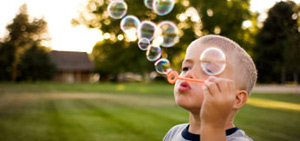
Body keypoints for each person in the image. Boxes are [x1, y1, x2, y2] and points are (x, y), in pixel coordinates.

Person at [163, 35, 257, 141]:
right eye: (186, 68)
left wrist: (213, 125)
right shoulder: (173, 133)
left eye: (209, 70)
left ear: (237, 99)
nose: (188, 74)